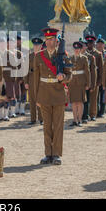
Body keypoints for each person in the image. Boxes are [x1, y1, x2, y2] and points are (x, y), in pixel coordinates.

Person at [33, 28, 72, 165]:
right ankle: (47, 154)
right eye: (47, 39)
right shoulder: (39, 56)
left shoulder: (63, 55)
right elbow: (35, 79)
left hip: (58, 94)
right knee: (47, 126)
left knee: (58, 126)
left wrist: (63, 78)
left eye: (52, 39)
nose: (49, 42)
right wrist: (36, 98)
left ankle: (56, 154)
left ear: (57, 40)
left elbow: (70, 75)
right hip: (44, 95)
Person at [68, 41, 90, 127]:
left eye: (78, 49)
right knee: (73, 102)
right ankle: (74, 120)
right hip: (72, 83)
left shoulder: (84, 58)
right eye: (75, 49)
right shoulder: (70, 58)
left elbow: (87, 72)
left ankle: (80, 119)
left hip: (81, 83)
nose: (76, 50)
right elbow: (68, 71)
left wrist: (88, 83)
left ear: (80, 50)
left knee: (80, 102)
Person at [24, 37, 44, 125]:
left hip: (41, 81)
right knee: (32, 100)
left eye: (38, 45)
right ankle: (32, 119)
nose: (36, 47)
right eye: (35, 45)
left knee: (40, 99)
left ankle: (41, 118)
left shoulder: (44, 55)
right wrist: (26, 82)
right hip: (31, 80)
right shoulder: (30, 56)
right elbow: (25, 70)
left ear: (41, 46)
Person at [85, 34, 103, 121]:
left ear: (94, 43)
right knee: (85, 98)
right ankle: (85, 114)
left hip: (94, 78)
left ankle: (93, 114)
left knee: (94, 98)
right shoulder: (84, 53)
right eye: (88, 43)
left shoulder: (98, 54)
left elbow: (101, 68)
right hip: (85, 79)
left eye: (91, 43)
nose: (90, 45)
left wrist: (99, 80)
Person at [81, 39, 96, 123]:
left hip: (86, 82)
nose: (82, 47)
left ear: (86, 47)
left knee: (86, 100)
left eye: (83, 45)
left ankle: (85, 116)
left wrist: (92, 84)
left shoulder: (90, 57)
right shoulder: (77, 56)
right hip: (78, 82)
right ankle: (79, 115)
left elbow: (93, 72)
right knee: (78, 100)